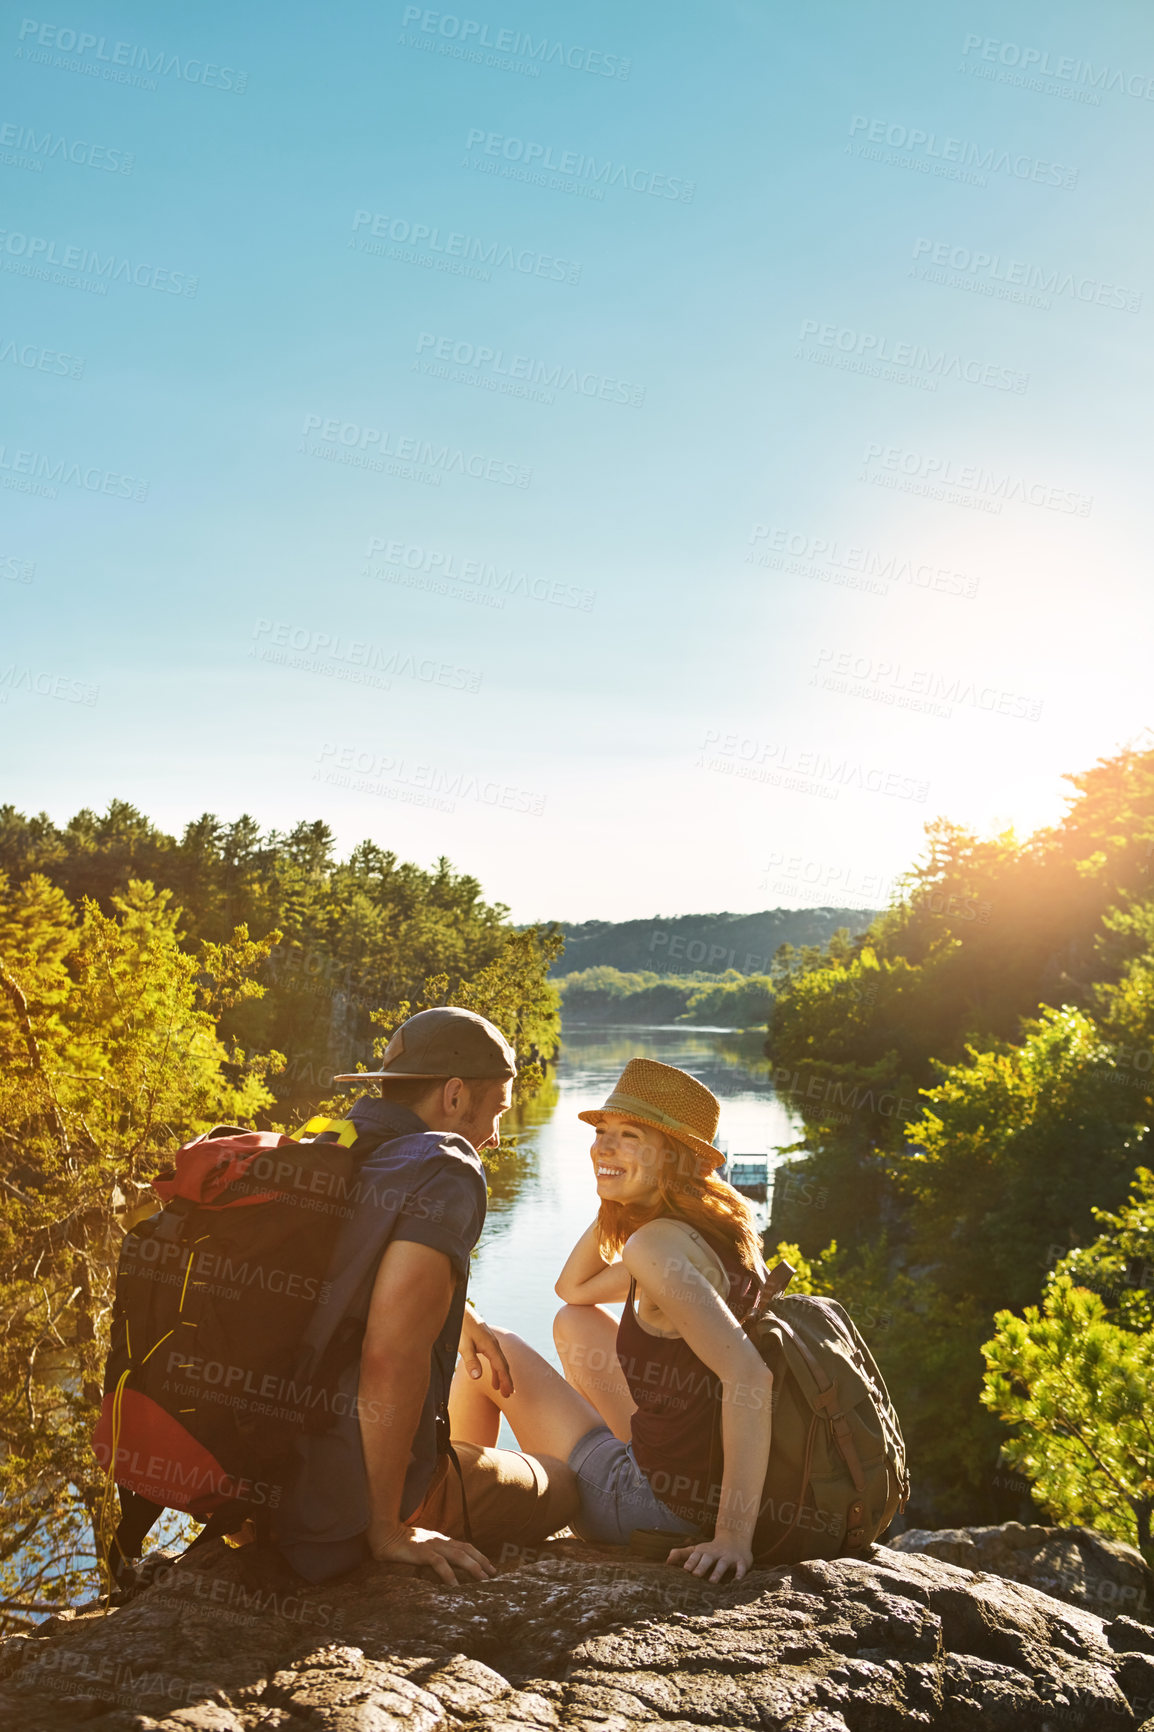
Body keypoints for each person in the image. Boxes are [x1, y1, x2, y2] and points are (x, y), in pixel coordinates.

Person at [273, 1007, 578, 1586]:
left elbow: (348, 1272)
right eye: (497, 1111)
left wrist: (461, 1315)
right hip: (345, 1492)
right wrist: (388, 1527)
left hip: (274, 1474)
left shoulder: (335, 1142)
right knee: (566, 1484)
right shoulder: (446, 1167)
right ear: (456, 1095)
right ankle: (415, 1501)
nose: (493, 1136)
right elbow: (390, 1356)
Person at [448, 1058, 775, 1583]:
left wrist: (733, 1537)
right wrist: (617, 1195)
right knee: (573, 1323)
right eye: (602, 1133)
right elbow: (572, 1290)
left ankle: (454, 1513)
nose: (602, 1147)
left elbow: (750, 1377)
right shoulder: (712, 1232)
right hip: (683, 1485)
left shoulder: (654, 1247)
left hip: (646, 1510)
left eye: (628, 1136)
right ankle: (467, 1495)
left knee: (486, 1354)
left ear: (674, 1157)